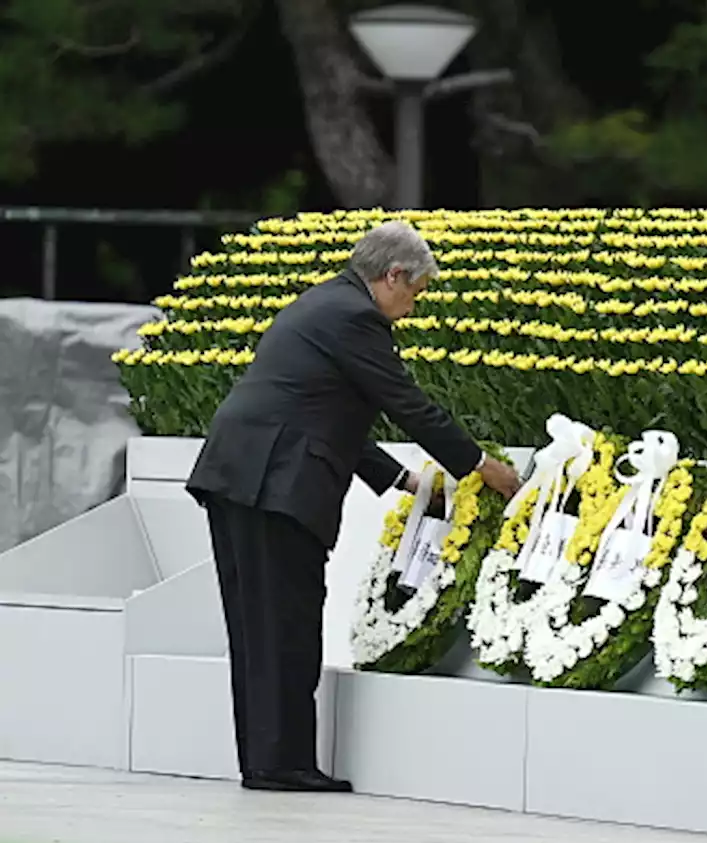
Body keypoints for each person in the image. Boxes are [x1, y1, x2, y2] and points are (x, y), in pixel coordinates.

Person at [187, 221, 521, 793]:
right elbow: (407, 404)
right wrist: (483, 467)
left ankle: (267, 760)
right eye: (413, 292)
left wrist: (404, 481)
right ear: (392, 275)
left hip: (240, 473)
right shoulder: (354, 317)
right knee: (286, 622)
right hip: (275, 483)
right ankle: (283, 764)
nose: (411, 308)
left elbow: (327, 412)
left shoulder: (322, 304)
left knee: (257, 626)